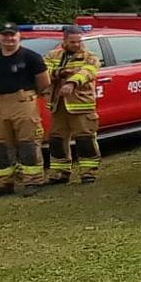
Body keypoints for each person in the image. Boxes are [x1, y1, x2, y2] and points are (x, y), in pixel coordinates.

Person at [0, 22, 50, 198]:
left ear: (19, 36)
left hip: (23, 103)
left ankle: (33, 181)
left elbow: (44, 82)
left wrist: (29, 96)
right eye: (5, 35)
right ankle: (2, 183)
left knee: (28, 144)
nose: (9, 39)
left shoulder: (31, 57)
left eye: (12, 35)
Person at [44, 26, 103, 187]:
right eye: (72, 42)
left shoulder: (90, 57)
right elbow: (45, 71)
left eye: (79, 41)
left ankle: (88, 172)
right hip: (58, 105)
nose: (76, 45)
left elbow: (88, 72)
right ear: (64, 40)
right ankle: (60, 172)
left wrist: (71, 81)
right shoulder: (53, 55)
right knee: (57, 140)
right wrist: (62, 72)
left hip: (81, 105)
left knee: (85, 139)